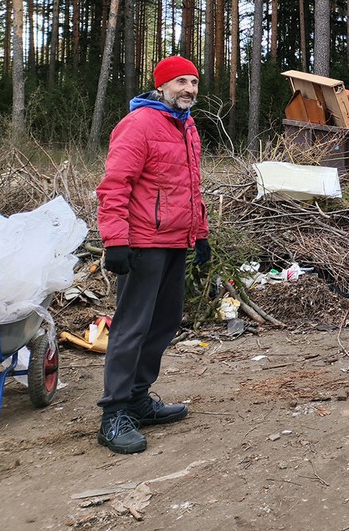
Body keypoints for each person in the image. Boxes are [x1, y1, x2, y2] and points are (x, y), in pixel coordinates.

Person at [94, 55, 211, 454]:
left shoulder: (187, 126)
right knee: (132, 327)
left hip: (177, 242)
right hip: (142, 244)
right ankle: (114, 414)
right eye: (181, 82)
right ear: (161, 85)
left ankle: (139, 400)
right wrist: (115, 241)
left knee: (164, 322)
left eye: (194, 82)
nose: (189, 90)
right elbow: (114, 186)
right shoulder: (138, 125)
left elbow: (190, 188)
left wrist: (201, 236)